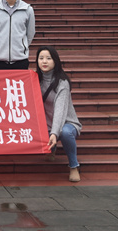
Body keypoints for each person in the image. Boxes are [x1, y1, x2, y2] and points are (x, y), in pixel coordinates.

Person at [36, 45, 82, 182]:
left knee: (65, 132)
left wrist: (54, 133)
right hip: (46, 123)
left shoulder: (62, 83)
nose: (44, 61)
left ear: (55, 61)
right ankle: (52, 147)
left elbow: (60, 110)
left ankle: (74, 166)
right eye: (41, 58)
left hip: (67, 122)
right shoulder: (35, 79)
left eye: (48, 58)